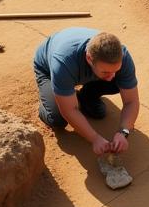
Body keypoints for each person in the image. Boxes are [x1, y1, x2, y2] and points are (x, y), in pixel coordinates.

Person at [33, 28, 140, 157]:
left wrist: (124, 132)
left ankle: (83, 96)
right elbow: (69, 110)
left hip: (82, 71)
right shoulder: (63, 62)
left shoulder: (122, 56)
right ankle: (49, 99)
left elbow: (131, 101)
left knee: (103, 105)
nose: (111, 76)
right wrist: (94, 138)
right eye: (106, 72)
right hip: (48, 70)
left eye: (115, 70)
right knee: (57, 118)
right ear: (89, 58)